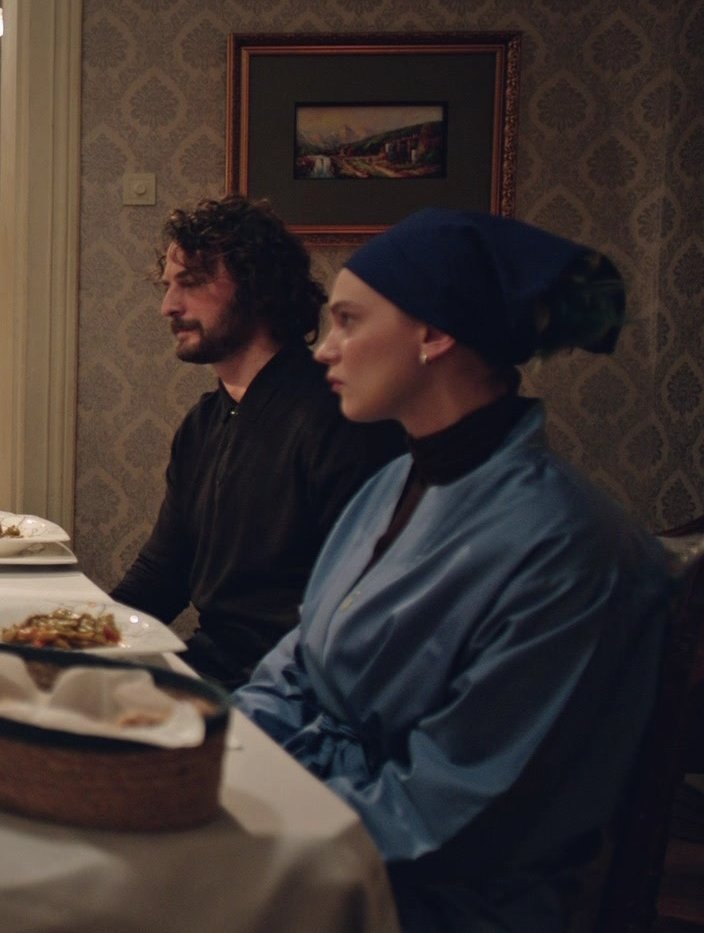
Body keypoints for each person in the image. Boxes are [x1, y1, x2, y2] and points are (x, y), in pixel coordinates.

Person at [233, 208, 670, 933]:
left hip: (431, 893)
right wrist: (220, 758)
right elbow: (299, 664)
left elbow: (456, 815)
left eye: (348, 321)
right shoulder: (390, 482)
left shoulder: (566, 545)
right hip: (326, 819)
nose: (323, 349)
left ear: (434, 334)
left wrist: (258, 825)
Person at [110, 196, 402, 688]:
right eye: (167, 286)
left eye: (191, 282)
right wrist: (77, 640)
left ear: (258, 287)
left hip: (288, 691)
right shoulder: (202, 424)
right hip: (209, 668)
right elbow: (163, 573)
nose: (168, 306)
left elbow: (362, 608)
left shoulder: (339, 417)